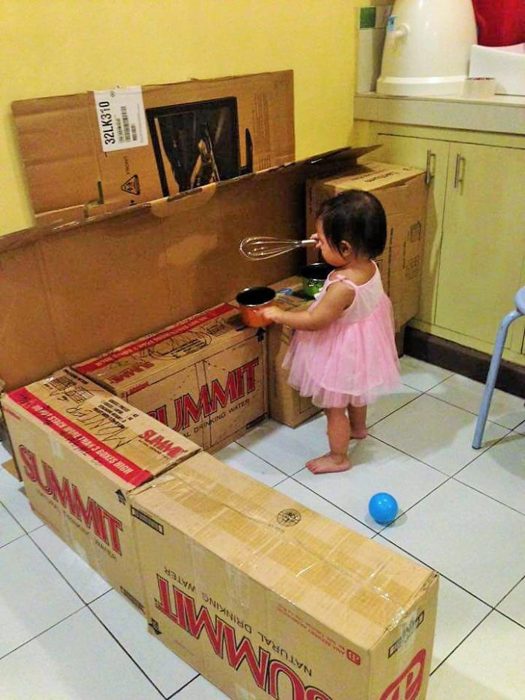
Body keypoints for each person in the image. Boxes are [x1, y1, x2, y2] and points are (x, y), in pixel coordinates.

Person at [261, 190, 400, 474]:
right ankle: (359, 428)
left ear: (346, 248)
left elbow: (316, 321)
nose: (317, 245)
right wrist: (326, 242)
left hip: (341, 349)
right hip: (364, 344)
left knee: (335, 408)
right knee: (356, 392)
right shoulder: (369, 266)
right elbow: (340, 260)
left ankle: (339, 457)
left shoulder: (342, 287)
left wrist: (281, 315)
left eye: (322, 241)